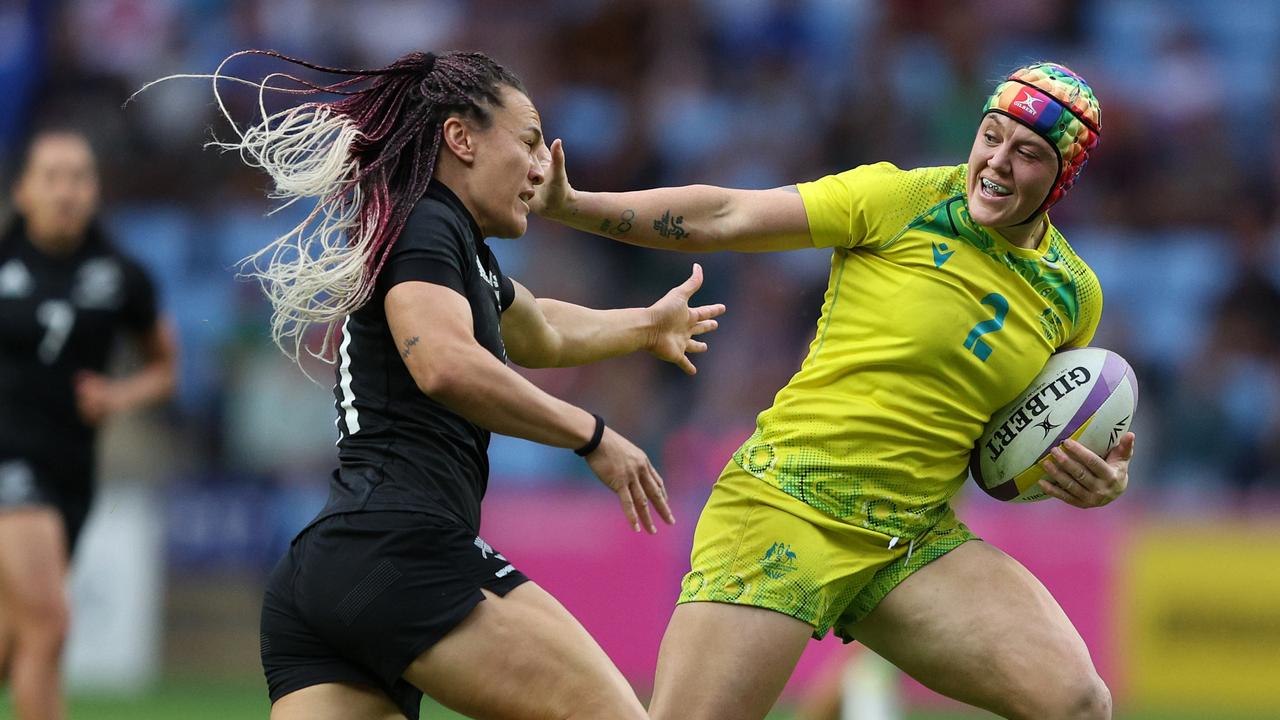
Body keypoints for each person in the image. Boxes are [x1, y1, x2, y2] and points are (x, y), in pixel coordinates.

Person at [534, 62, 1136, 720]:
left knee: (1078, 702)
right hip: (789, 504)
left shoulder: (1074, 296)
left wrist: (1101, 475)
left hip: (909, 542)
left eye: (1027, 154)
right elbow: (728, 213)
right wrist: (574, 206)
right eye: (990, 135)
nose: (997, 161)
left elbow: (1024, 433)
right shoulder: (901, 199)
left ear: (1061, 178)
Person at [165, 50, 724, 720]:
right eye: (527, 142)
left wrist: (645, 324)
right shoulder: (427, 225)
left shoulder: (449, 243)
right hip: (403, 547)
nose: (543, 166)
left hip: (336, 568)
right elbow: (445, 363)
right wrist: (592, 435)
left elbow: (539, 326)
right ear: (461, 139)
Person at [0, 129, 178, 720]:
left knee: (14, 641)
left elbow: (165, 369)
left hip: (73, 471)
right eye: (51, 176)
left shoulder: (122, 277)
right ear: (23, 190)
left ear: (95, 189)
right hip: (9, 464)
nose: (66, 191)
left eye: (78, 176)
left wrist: (117, 395)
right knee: (49, 623)